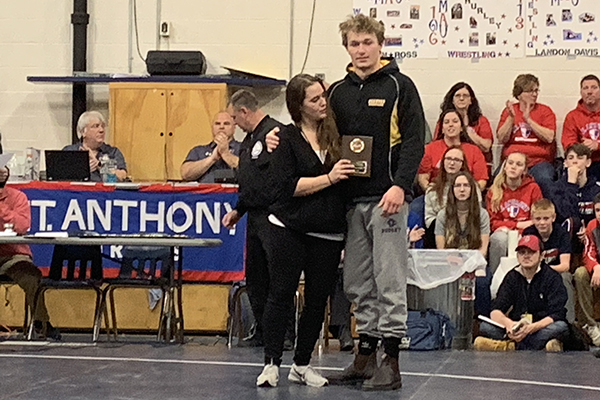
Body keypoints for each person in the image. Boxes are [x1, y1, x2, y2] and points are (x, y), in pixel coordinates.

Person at [326, 14, 425, 391]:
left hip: (388, 201)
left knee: (389, 282)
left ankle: (392, 363)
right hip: (351, 201)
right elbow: (325, 140)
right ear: (347, 48)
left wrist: (401, 186)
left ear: (380, 44)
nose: (362, 50)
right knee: (357, 283)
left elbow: (415, 141)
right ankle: (364, 357)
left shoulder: (401, 85)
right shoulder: (337, 91)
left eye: (368, 42)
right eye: (354, 44)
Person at [255, 74, 354, 388]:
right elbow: (287, 187)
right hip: (290, 227)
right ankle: (271, 363)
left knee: (317, 300)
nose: (322, 102)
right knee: (281, 293)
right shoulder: (283, 137)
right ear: (298, 106)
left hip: (327, 231)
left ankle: (302, 363)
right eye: (314, 99)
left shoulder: (336, 135)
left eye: (323, 96)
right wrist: (330, 178)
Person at [221, 90, 285, 350]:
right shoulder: (249, 141)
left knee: (276, 280)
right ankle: (261, 330)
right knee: (256, 280)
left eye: (235, 118)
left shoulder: (275, 133)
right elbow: (249, 181)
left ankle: (283, 334)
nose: (234, 124)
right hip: (255, 217)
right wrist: (239, 210)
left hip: (275, 216)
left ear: (245, 112)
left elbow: (271, 180)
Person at [474, 235, 569, 351]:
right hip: (516, 326)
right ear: (517, 256)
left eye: (531, 252)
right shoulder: (512, 276)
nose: (526, 256)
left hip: (539, 327)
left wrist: (532, 328)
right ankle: (536, 346)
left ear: (542, 255)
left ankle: (510, 346)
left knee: (560, 327)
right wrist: (510, 325)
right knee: (485, 327)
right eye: (522, 252)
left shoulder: (552, 277)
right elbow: (496, 310)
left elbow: (557, 314)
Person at [0, 168, 59, 339]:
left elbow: (22, 225)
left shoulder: (18, 197)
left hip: (13, 255)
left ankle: (42, 322)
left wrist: (2, 209)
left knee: (31, 275)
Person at [496, 74, 557, 192]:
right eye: (530, 91)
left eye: (536, 90)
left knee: (544, 179)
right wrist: (510, 118)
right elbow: (501, 138)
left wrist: (529, 120)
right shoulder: (510, 111)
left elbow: (549, 137)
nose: (534, 94)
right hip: (513, 161)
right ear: (519, 94)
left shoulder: (545, 111)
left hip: (538, 162)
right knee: (497, 179)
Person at [487, 152, 543, 274]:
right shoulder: (494, 190)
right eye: (510, 163)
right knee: (499, 239)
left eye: (519, 164)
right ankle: (496, 278)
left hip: (526, 233)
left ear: (524, 170)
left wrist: (509, 225)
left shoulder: (533, 188)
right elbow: (493, 223)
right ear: (505, 166)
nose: (513, 167)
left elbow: (537, 219)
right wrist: (516, 225)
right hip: (503, 234)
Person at [522, 199, 574, 323]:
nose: (542, 223)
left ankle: (568, 322)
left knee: (566, 277)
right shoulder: (528, 233)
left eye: (546, 218)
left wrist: (543, 271)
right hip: (533, 274)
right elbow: (523, 261)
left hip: (555, 273)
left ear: (553, 217)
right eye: (538, 219)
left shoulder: (561, 234)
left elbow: (565, 266)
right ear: (532, 219)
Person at [424, 146, 481, 248]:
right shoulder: (432, 189)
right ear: (443, 162)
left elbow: (477, 212)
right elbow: (429, 220)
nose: (452, 163)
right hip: (440, 231)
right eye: (449, 159)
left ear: (462, 164)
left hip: (467, 231)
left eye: (456, 160)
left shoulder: (473, 187)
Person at [548, 143, 600, 255]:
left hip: (592, 235)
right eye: (571, 158)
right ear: (565, 163)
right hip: (566, 239)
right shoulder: (556, 188)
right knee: (573, 222)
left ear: (588, 162)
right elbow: (565, 215)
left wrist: (588, 230)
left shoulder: (597, 189)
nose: (575, 161)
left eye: (580, 158)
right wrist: (571, 184)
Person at [418, 109, 488, 192]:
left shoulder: (474, 151)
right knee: (415, 205)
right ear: (442, 129)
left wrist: (469, 194)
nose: (451, 125)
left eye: (455, 121)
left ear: (462, 128)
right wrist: (431, 191)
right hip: (437, 193)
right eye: (446, 122)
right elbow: (423, 177)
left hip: (465, 196)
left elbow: (481, 181)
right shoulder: (430, 149)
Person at [435, 82, 493, 168]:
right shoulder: (444, 120)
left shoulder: (481, 120)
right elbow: (436, 144)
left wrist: (466, 129)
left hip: (475, 162)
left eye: (465, 96)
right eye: (458, 96)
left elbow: (486, 147)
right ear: (452, 100)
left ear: (471, 100)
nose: (461, 98)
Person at [435, 171, 490, 256]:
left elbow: (483, 250)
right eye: (457, 185)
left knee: (480, 270)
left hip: (475, 262)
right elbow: (441, 250)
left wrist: (469, 264)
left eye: (466, 185)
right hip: (450, 262)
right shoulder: (442, 215)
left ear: (472, 189)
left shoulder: (482, 214)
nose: (462, 189)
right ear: (452, 189)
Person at [62, 111, 127, 182]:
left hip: (104, 192)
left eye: (103, 126)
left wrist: (99, 165)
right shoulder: (70, 151)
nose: (101, 130)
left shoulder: (113, 152)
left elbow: (122, 177)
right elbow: (54, 176)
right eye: (96, 126)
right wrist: (81, 171)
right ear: (83, 132)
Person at [180, 111, 240, 183]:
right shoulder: (198, 151)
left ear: (234, 128)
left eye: (226, 124)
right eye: (217, 124)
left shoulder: (244, 147)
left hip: (235, 193)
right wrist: (212, 159)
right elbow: (185, 174)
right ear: (212, 127)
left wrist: (226, 154)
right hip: (206, 193)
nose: (221, 127)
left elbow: (252, 171)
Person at [561, 75, 600, 181]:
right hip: (582, 162)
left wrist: (597, 145)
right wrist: (583, 149)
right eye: (585, 88)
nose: (589, 91)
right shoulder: (572, 116)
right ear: (581, 92)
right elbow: (568, 143)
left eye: (594, 87)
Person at [576, 192, 600, 346]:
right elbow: (588, 252)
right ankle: (590, 325)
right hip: (598, 268)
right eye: (598, 210)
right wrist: (597, 267)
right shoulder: (592, 226)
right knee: (580, 273)